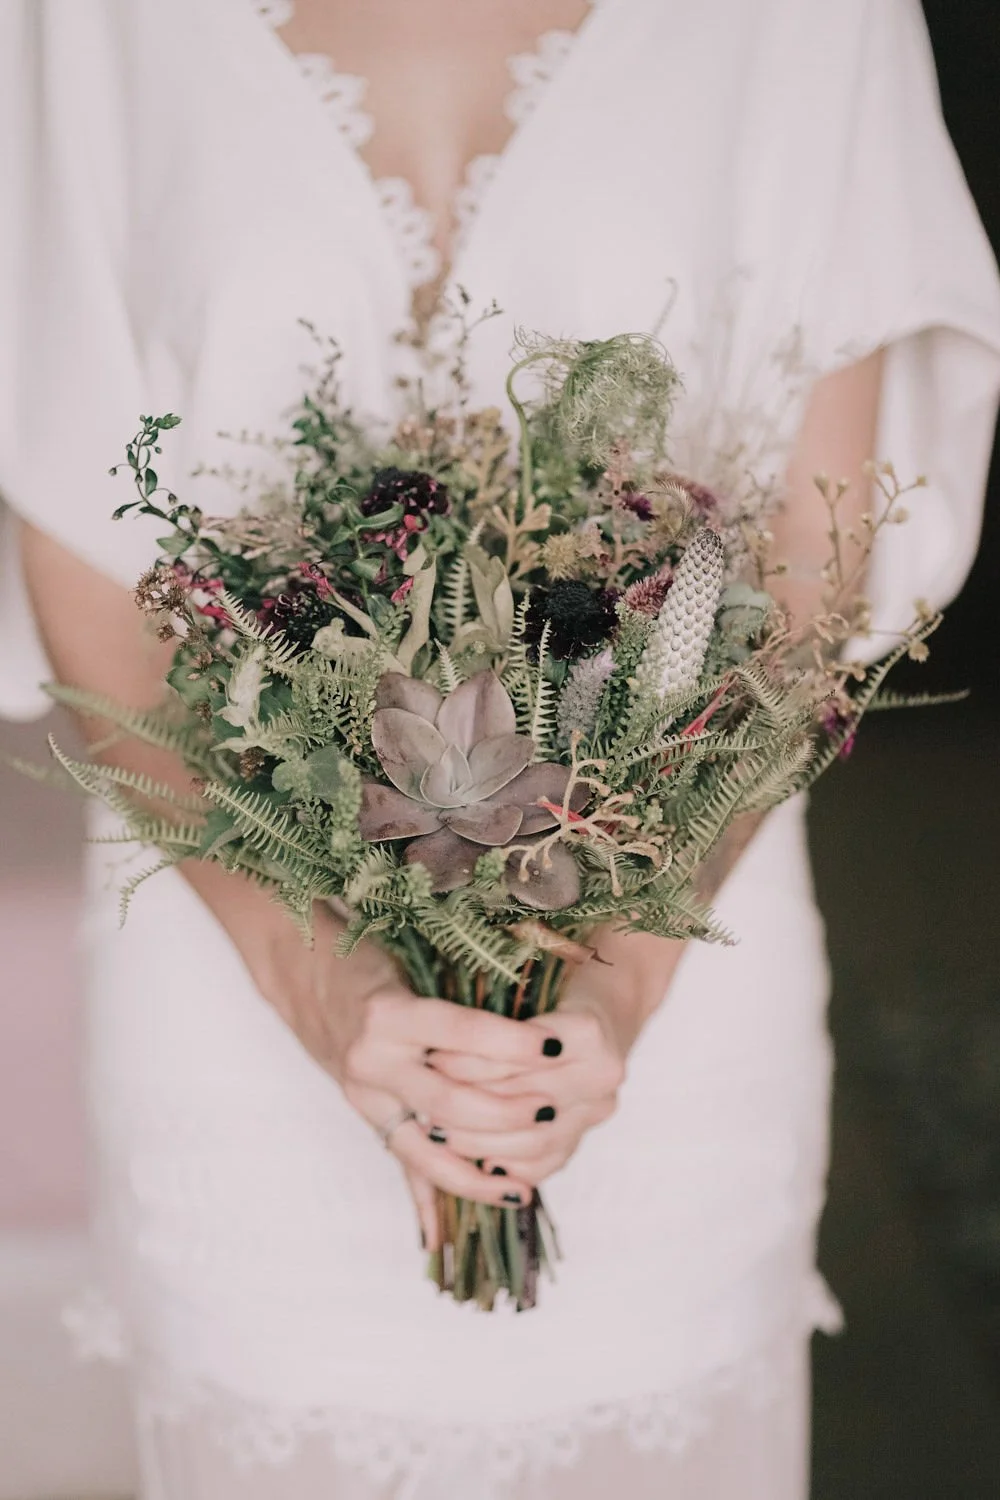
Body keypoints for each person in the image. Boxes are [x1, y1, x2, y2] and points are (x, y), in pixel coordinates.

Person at [2, 2, 999, 1496]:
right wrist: (315, 970)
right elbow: (83, 550)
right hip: (230, 993)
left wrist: (616, 980)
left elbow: (805, 555)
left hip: (667, 1011)